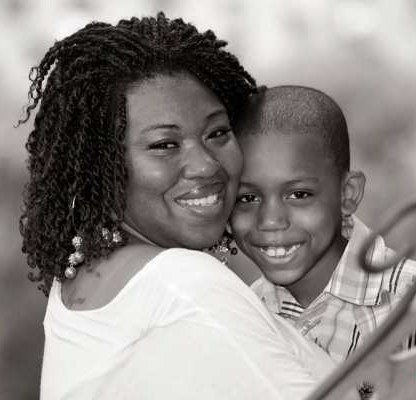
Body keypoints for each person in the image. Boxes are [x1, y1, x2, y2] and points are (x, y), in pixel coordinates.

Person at [18, 15, 336, 400]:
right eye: (164, 145)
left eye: (217, 133)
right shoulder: (182, 284)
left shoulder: (84, 280)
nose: (205, 165)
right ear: (98, 165)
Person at [229, 85, 416, 398]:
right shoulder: (247, 311)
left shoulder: (414, 296)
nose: (270, 221)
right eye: (247, 198)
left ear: (347, 194)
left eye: (299, 194)